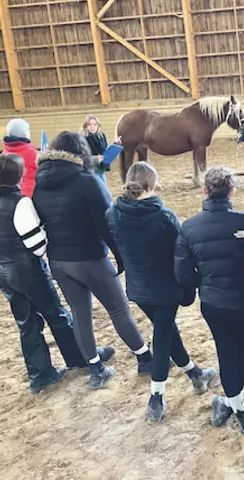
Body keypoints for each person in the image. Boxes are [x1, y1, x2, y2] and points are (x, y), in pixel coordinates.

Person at [33, 131, 151, 390]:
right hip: (90, 257)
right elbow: (107, 223)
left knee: (80, 313)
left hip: (59, 261)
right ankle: (144, 357)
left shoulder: (39, 183)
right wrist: (121, 256)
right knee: (119, 309)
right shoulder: (87, 180)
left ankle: (96, 367)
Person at [106, 162, 216, 423]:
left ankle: (195, 374)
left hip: (138, 287)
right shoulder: (164, 216)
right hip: (165, 287)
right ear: (152, 184)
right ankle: (156, 396)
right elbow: (179, 253)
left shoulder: (113, 213)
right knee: (163, 337)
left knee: (166, 331)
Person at [0, 153, 88, 393]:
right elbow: (36, 245)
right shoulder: (21, 203)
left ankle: (40, 374)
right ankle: (79, 358)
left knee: (27, 324)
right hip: (28, 271)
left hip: (2, 273)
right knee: (57, 315)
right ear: (20, 175)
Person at [174, 166, 244, 435]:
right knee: (241, 352)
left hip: (213, 302)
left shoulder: (188, 227)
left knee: (226, 351)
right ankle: (241, 411)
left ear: (204, 191)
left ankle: (231, 403)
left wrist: (203, 283)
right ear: (232, 191)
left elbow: (182, 273)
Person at [2, 118, 38, 198]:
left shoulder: (4, 153)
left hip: (12, 195)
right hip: (32, 194)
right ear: (25, 133)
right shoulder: (32, 153)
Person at [82, 115, 110, 184]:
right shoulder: (83, 139)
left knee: (103, 188)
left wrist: (116, 144)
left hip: (101, 168)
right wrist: (95, 159)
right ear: (86, 126)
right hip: (91, 170)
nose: (92, 127)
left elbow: (105, 149)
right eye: (89, 124)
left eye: (95, 124)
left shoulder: (101, 136)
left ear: (98, 126)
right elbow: (82, 156)